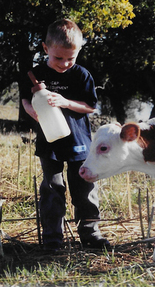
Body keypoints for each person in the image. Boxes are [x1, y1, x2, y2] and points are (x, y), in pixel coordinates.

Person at [21, 19, 109, 252]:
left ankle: (90, 233)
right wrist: (32, 110)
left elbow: (90, 106)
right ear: (45, 48)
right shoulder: (35, 74)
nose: (65, 63)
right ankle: (53, 239)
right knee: (52, 188)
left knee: (85, 188)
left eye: (71, 58)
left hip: (79, 142)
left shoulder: (81, 75)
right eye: (58, 58)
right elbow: (25, 99)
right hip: (49, 143)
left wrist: (66, 102)